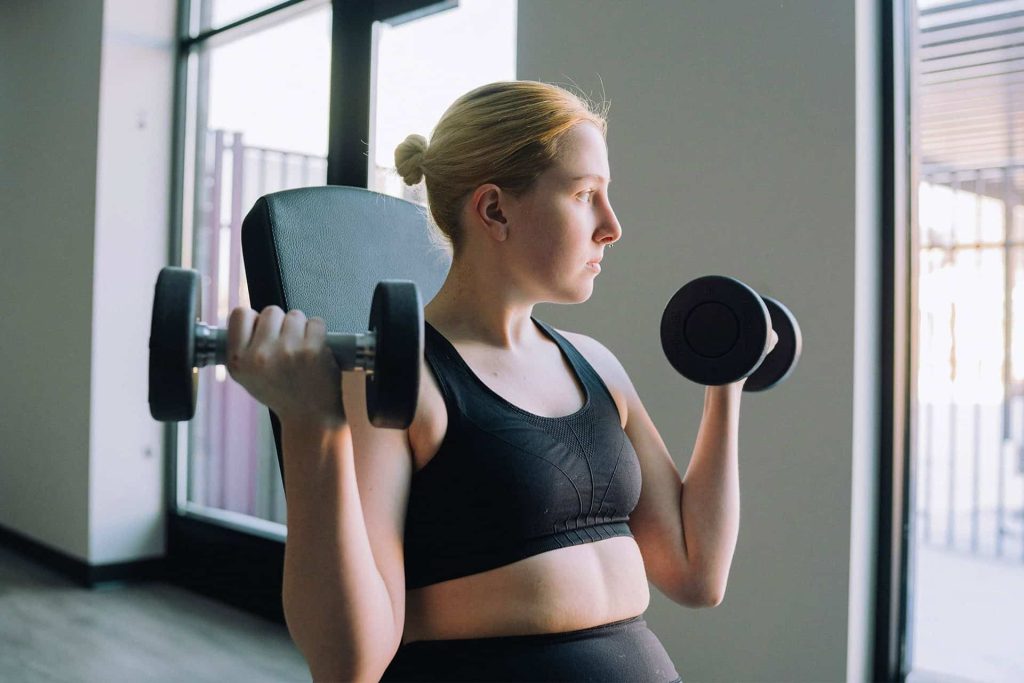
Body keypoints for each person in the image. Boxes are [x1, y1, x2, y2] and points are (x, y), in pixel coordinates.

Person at [226, 80, 776, 682]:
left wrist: (725, 381)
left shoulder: (597, 365)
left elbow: (697, 574)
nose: (612, 226)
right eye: (584, 194)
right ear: (494, 210)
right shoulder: (400, 380)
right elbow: (349, 664)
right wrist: (310, 426)